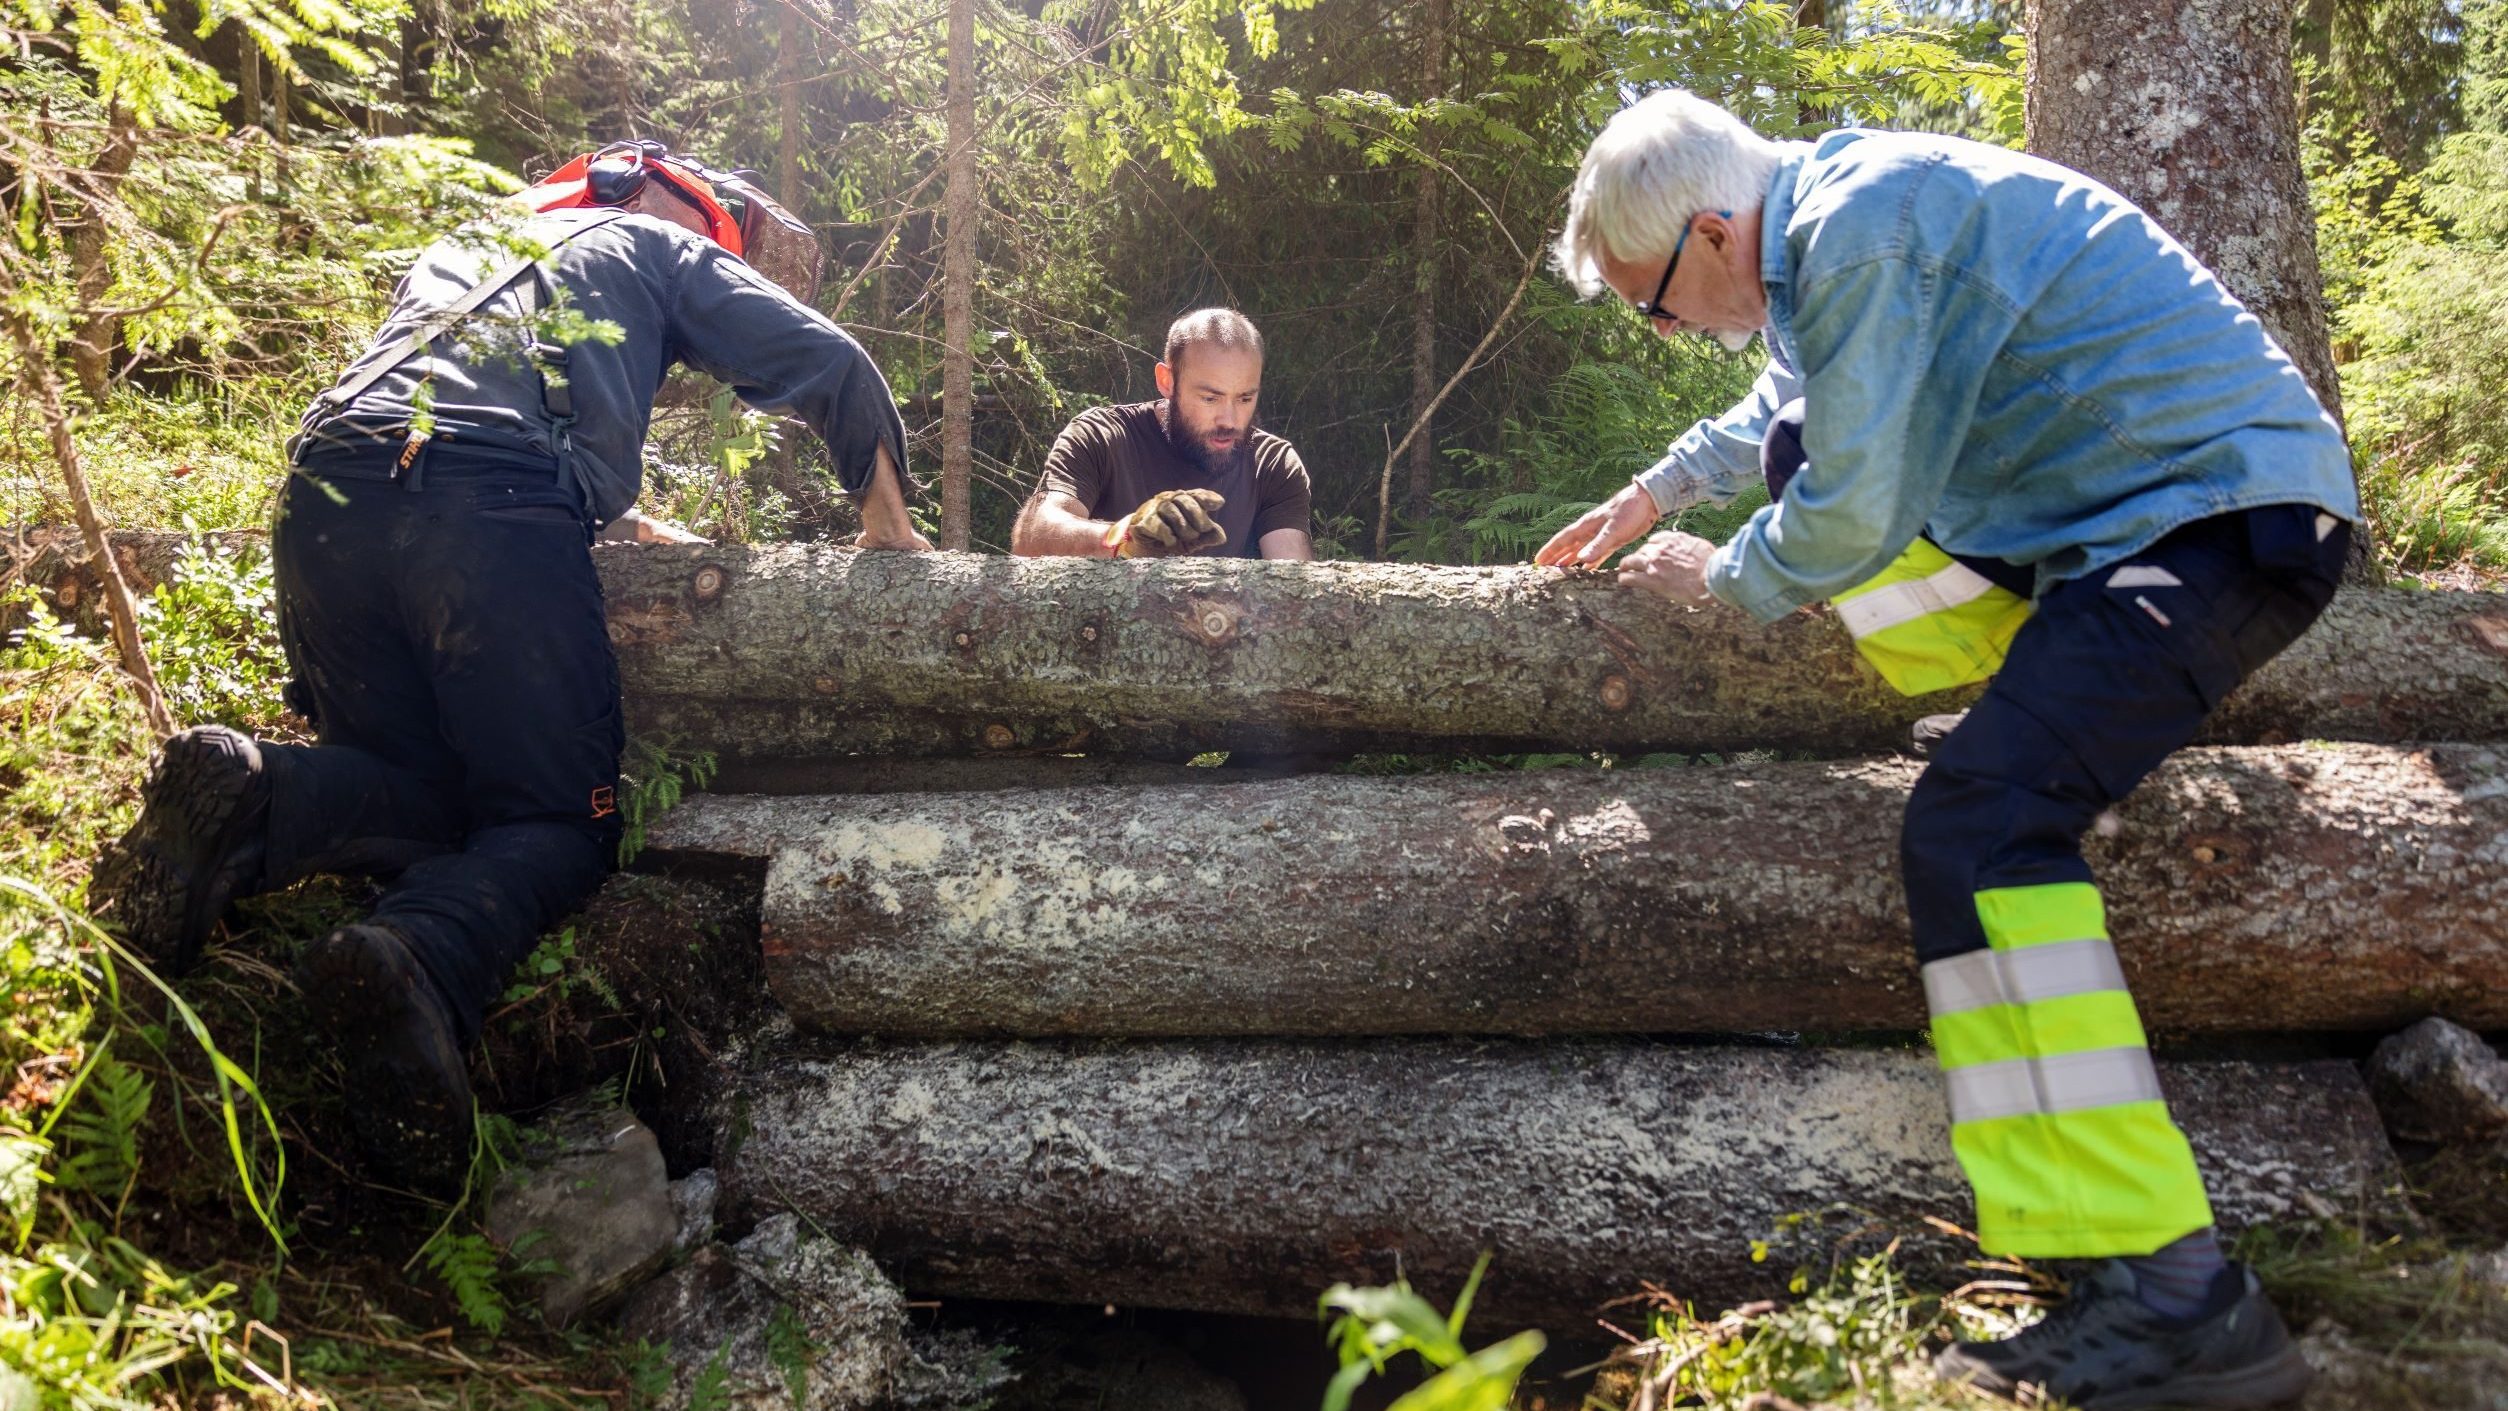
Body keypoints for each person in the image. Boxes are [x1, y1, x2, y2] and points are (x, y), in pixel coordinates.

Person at [1538, 92, 2355, 1408]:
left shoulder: (1866, 231)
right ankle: (2007, 714)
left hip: (2222, 519)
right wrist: (1657, 489)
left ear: (1709, 229)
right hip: (2133, 532)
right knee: (1805, 446)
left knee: (1977, 833)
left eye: (1656, 300)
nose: (1666, 328)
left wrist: (1724, 575)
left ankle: (2179, 1295)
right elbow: (1789, 413)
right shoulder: (1833, 233)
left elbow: (1858, 500)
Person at [94, 140, 932, 1189]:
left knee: (417, 785)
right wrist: (890, 530)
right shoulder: (657, 245)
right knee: (552, 822)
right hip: (485, 507)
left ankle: (253, 795)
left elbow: (489, 426)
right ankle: (419, 956)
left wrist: (651, 536)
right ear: (687, 211)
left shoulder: (469, 245)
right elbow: (831, 362)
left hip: (324, 491)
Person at [1012, 308, 1314, 560]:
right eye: (1210, 398)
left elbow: (1292, 586)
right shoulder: (1101, 436)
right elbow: (1031, 537)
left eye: (1245, 398)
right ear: (1167, 381)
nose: (1230, 420)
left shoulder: (1272, 464)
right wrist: (1127, 537)